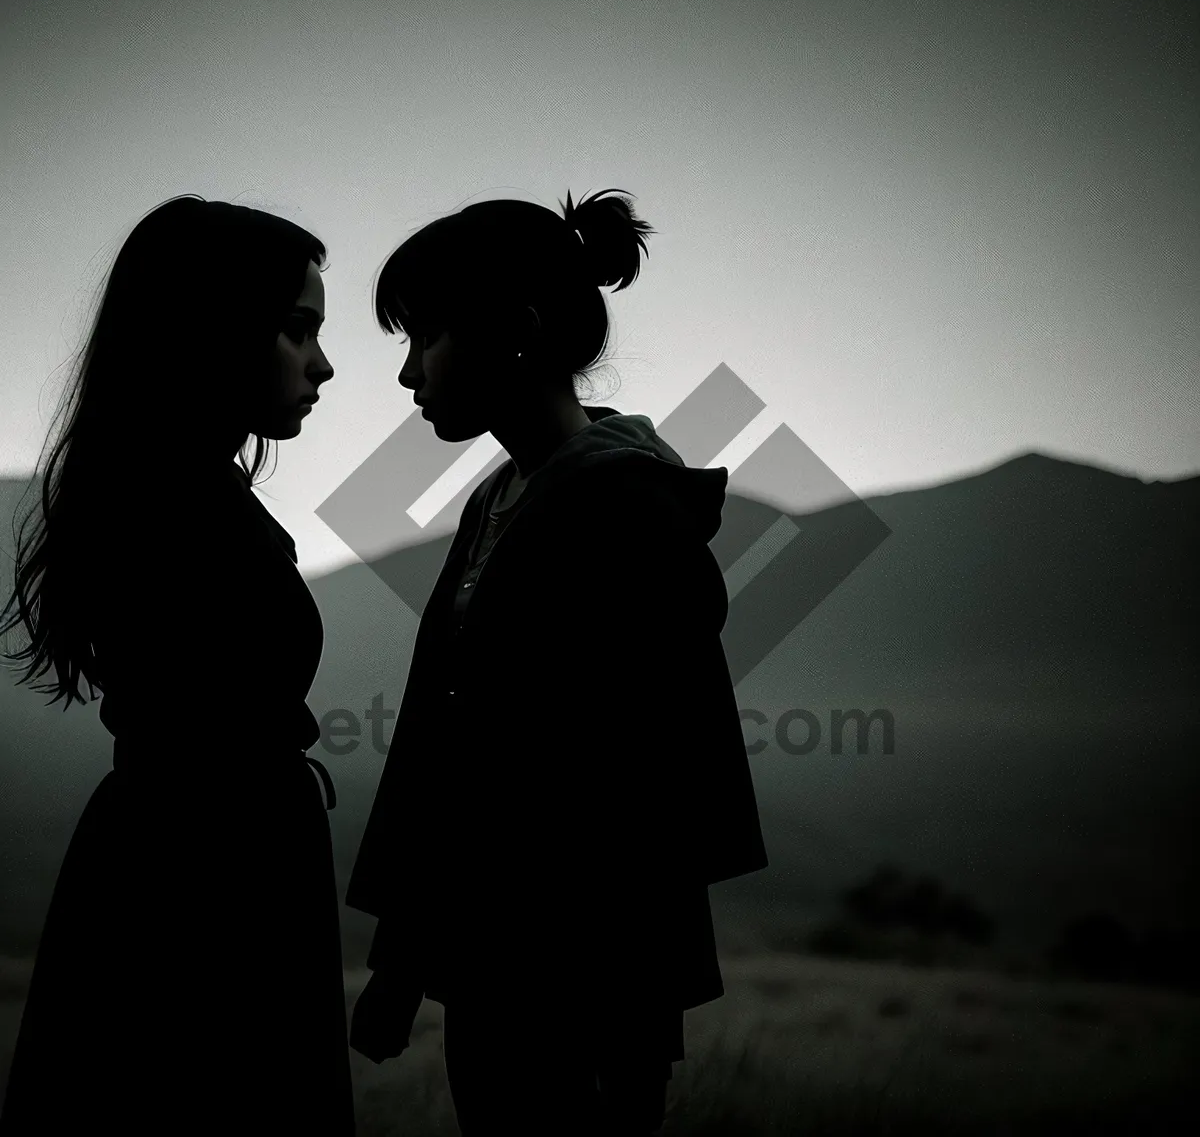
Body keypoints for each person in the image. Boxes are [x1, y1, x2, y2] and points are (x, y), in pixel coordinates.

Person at [347, 188, 769, 1134]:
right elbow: (453, 756)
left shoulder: (629, 517)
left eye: (426, 337)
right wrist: (404, 970)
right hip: (491, 970)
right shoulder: (498, 506)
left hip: (581, 991)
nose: (410, 373)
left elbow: (651, 795)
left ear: (519, 331)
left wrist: (635, 1040)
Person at [0, 196, 353, 1134]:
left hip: (185, 860)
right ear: (213, 330)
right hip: (207, 884)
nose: (322, 363)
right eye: (296, 329)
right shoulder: (179, 515)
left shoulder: (162, 495)